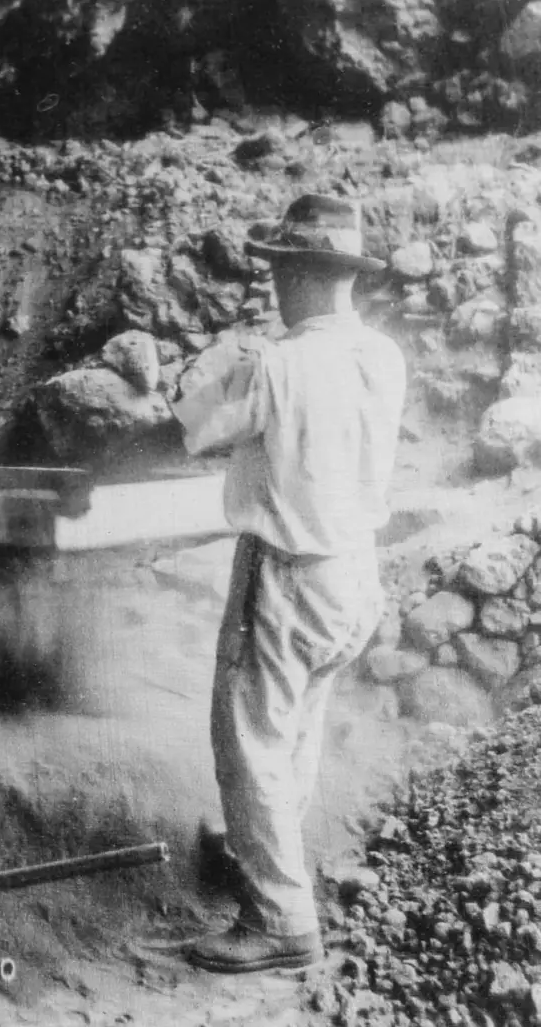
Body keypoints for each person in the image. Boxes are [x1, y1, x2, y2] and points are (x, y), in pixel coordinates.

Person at [169, 195, 406, 974]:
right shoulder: (382, 356)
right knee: (292, 735)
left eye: (277, 270)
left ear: (301, 275)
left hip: (290, 575)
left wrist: (210, 364)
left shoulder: (277, 362)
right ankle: (266, 861)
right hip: (354, 572)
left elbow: (193, 424)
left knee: (248, 745)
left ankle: (280, 920)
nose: (272, 285)